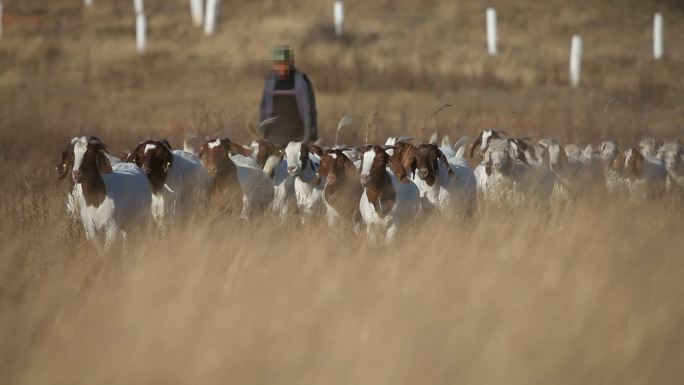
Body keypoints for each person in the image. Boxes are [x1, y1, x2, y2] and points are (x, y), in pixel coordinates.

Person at [259, 45, 317, 146]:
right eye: (279, 64)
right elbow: (265, 109)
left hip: (298, 139)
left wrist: (308, 137)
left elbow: (307, 110)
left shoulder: (300, 80)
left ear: (290, 64)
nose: (281, 68)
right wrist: (263, 132)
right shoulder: (271, 81)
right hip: (274, 138)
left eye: (284, 64)